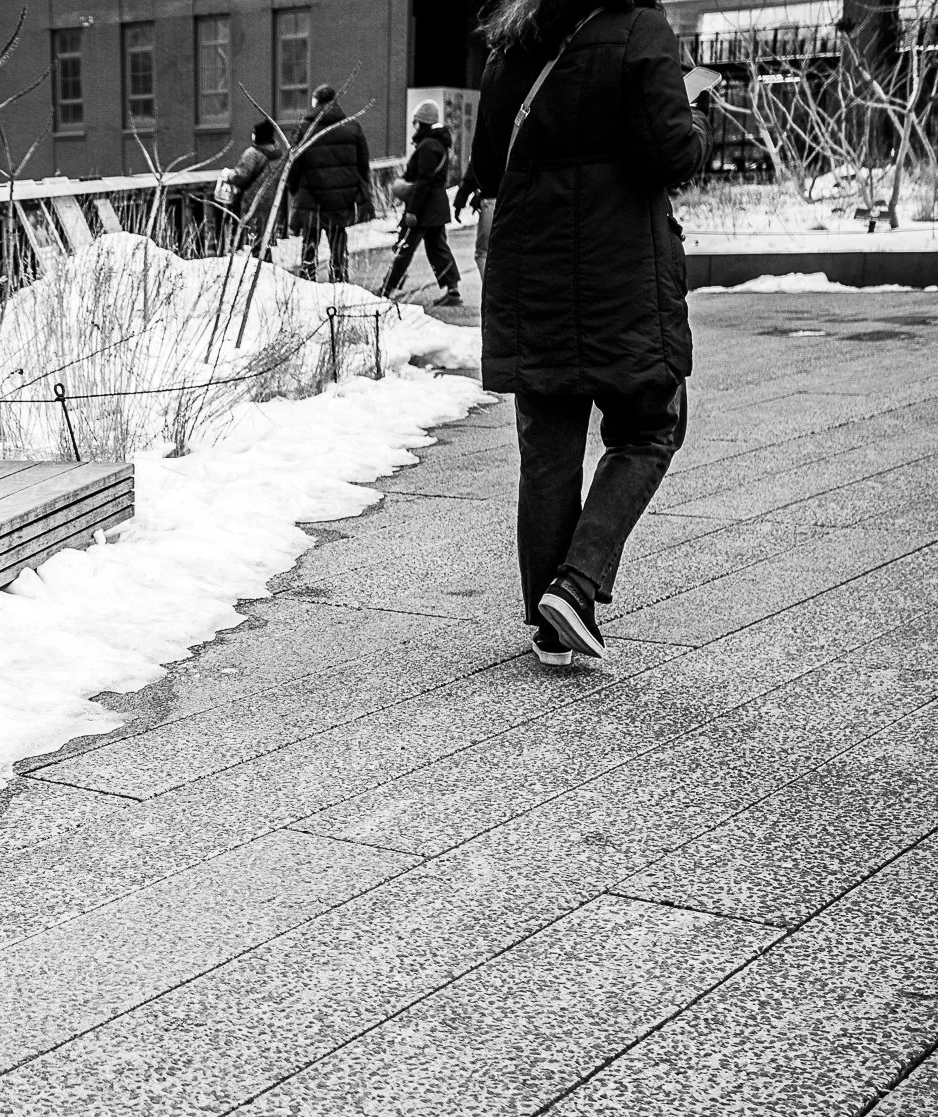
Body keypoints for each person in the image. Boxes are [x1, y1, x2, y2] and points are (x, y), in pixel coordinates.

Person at [472, 0, 709, 665]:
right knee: (649, 428)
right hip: (618, 272)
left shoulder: (508, 44)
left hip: (532, 272)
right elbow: (669, 155)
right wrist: (697, 115)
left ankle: (551, 626)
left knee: (547, 451)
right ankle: (575, 586)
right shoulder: (642, 30)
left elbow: (490, 168)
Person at [285, 85, 376, 284]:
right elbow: (363, 164)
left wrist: (292, 187)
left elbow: (294, 163)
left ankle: (308, 281)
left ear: (315, 101)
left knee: (310, 239)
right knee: (338, 239)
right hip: (341, 197)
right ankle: (339, 280)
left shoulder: (304, 127)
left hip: (311, 196)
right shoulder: (352, 127)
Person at [381, 100, 464, 306]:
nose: (414, 126)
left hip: (424, 207)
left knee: (405, 246)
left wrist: (412, 211)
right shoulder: (439, 144)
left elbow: (423, 181)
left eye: (416, 122)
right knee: (438, 248)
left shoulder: (428, 146)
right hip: (436, 205)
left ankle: (387, 289)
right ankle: (452, 290)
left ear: (422, 123)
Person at [218, 120, 288, 245]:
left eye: (254, 133)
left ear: (258, 135)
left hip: (252, 201)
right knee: (267, 236)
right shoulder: (279, 154)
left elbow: (241, 177)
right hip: (274, 202)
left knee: (250, 237)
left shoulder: (252, 154)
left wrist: (228, 174)